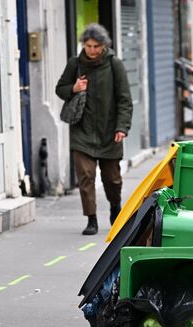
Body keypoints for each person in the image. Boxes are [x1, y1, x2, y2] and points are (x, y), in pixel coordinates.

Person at [56, 23, 133, 235]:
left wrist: (122, 127)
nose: (91, 50)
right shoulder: (75, 64)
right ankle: (91, 219)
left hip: (110, 132)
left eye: (96, 46)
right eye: (88, 45)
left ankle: (115, 207)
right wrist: (74, 88)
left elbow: (125, 99)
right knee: (86, 176)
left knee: (112, 178)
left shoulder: (114, 64)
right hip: (82, 131)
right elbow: (60, 89)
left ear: (103, 46)